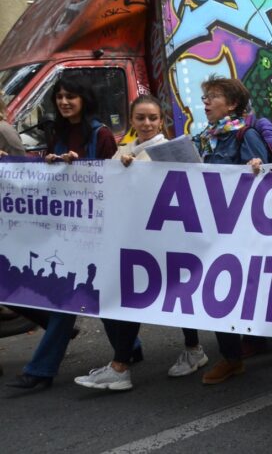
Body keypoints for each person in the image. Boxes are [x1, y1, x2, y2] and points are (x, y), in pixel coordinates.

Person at [6, 72, 118, 390]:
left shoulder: (101, 135)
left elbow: (115, 183)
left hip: (96, 230)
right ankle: (130, 348)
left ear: (84, 99)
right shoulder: (58, 132)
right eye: (59, 97)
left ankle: (41, 370)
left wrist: (81, 168)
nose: (64, 102)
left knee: (70, 298)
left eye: (71, 96)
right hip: (68, 230)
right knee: (91, 294)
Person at [73, 95, 171, 391]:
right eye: (140, 117)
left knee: (131, 300)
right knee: (119, 300)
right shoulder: (124, 151)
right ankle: (121, 363)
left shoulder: (169, 149)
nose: (147, 123)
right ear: (132, 120)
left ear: (161, 121)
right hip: (127, 240)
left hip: (157, 241)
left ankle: (122, 366)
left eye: (152, 118)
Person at [191, 77, 271, 385]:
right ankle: (232, 358)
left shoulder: (244, 136)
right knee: (216, 291)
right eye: (205, 97)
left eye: (213, 97)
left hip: (243, 230)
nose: (206, 103)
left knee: (251, 290)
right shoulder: (204, 138)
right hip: (213, 230)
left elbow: (268, 179)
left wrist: (258, 167)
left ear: (233, 104)